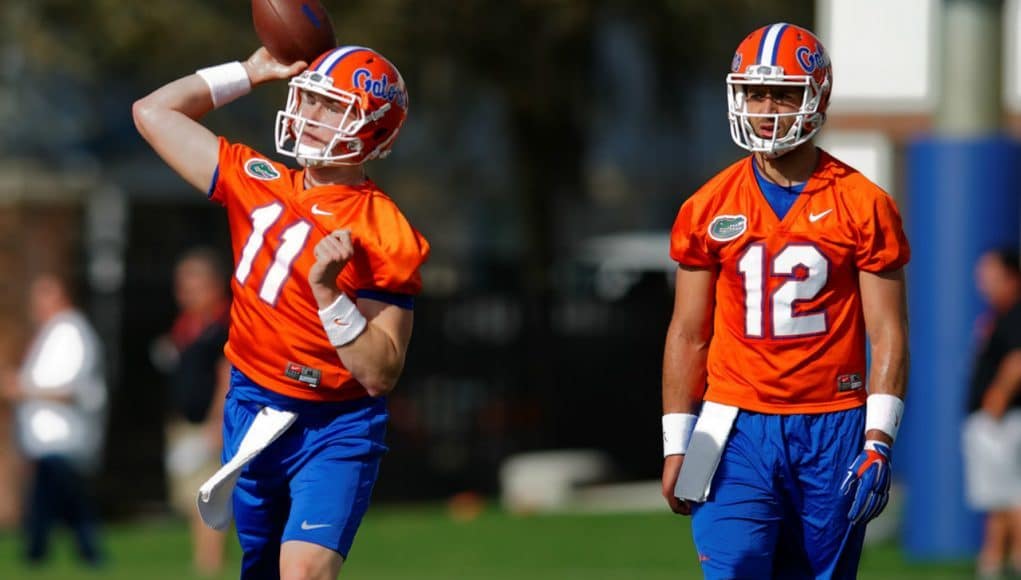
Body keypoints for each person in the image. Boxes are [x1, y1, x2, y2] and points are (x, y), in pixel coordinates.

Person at [132, 44, 429, 579]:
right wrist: (248, 72)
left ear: (374, 127)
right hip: (253, 407)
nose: (311, 117)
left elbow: (379, 372)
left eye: (331, 106)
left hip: (335, 422)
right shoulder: (257, 180)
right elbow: (152, 112)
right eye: (310, 99)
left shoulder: (383, 229)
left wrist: (329, 293)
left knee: (303, 573)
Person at [660, 23, 910, 579]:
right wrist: (677, 441)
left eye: (785, 93)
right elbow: (687, 332)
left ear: (816, 97)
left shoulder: (863, 203)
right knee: (734, 565)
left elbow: (887, 332)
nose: (767, 107)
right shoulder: (707, 206)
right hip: (728, 422)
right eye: (756, 92)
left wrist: (879, 440)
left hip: (833, 423)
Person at [1, 273, 107, 567]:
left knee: (53, 499)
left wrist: (20, 389)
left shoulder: (71, 332)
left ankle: (41, 552)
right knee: (62, 501)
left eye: (43, 295)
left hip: (63, 437)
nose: (35, 303)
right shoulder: (50, 333)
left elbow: (70, 390)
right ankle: (82, 552)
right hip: (46, 440)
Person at [151, 248, 231, 576]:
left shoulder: (224, 324)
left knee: (208, 495)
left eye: (194, 282)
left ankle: (209, 563)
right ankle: (202, 559)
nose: (185, 291)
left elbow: (227, 374)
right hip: (184, 425)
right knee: (189, 498)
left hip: (207, 425)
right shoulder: (186, 326)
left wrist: (217, 421)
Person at [962, 248, 1021, 579]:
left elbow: (1017, 358)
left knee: (1012, 495)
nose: (983, 283)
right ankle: (995, 561)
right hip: (996, 420)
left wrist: (998, 395)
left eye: (991, 275)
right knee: (998, 497)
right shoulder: (999, 314)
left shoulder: (1014, 313)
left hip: (1003, 420)